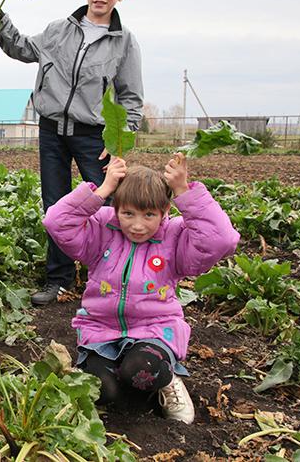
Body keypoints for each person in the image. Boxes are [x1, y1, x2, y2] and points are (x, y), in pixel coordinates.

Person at [43, 152, 239, 423]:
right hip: (101, 332)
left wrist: (183, 190)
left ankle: (169, 379)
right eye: (128, 213)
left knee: (139, 371)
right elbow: (56, 222)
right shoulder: (101, 228)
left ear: (165, 211)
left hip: (154, 330)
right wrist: (103, 189)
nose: (137, 225)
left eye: (149, 215)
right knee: (104, 392)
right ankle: (116, 373)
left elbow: (222, 240)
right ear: (116, 209)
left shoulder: (175, 237)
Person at [0, 0, 144, 305]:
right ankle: (59, 279)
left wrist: (120, 143)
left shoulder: (124, 42)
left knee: (107, 204)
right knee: (56, 206)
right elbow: (21, 47)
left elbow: (131, 98)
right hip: (51, 132)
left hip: (94, 136)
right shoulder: (57, 30)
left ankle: (109, 276)